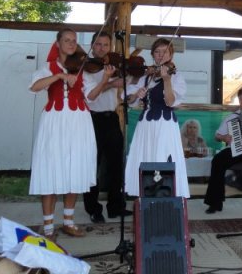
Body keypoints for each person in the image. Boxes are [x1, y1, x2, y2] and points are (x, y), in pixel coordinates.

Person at [29, 28, 96, 239]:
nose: (71, 44)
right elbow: (34, 87)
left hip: (79, 122)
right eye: (66, 40)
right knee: (50, 168)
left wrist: (105, 80)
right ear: (57, 43)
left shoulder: (82, 69)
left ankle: (68, 221)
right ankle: (48, 227)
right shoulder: (48, 67)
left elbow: (91, 96)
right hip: (55, 122)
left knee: (74, 169)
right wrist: (59, 75)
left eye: (74, 40)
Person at [124, 38, 189, 198]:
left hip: (165, 124)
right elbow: (129, 101)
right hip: (146, 125)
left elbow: (170, 102)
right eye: (157, 52)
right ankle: (147, 194)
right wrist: (136, 95)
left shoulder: (176, 77)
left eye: (165, 52)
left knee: (163, 157)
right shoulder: (146, 77)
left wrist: (167, 80)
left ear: (171, 55)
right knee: (146, 157)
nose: (161, 55)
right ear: (152, 54)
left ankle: (164, 194)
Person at [81, 31, 131, 223]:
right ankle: (93, 208)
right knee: (92, 165)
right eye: (98, 44)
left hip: (112, 118)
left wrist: (128, 78)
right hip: (92, 120)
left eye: (105, 45)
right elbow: (91, 96)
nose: (102, 48)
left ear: (110, 47)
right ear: (92, 46)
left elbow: (127, 86)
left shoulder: (113, 66)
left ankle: (115, 206)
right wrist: (109, 84)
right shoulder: (85, 68)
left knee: (116, 165)